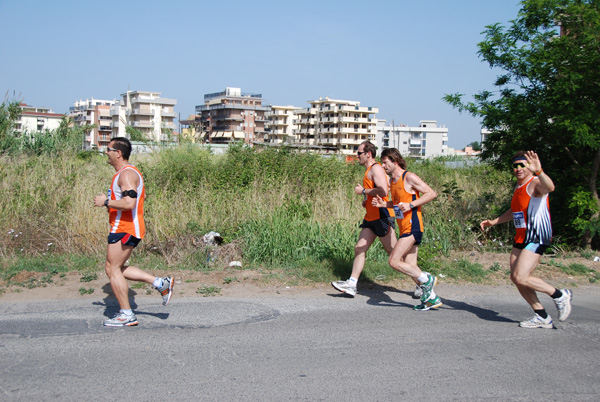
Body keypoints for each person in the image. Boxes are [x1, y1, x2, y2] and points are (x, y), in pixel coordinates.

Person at [480, 150, 572, 329]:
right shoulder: (518, 187)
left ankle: (560, 295)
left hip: (537, 236)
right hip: (521, 237)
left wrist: (539, 171)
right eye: (516, 166)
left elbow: (550, 188)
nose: (519, 168)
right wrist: (493, 222)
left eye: (523, 165)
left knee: (521, 276)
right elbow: (514, 212)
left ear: (531, 167)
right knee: (516, 278)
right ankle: (542, 316)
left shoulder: (535, 182)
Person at [93, 137, 174, 327]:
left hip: (125, 228)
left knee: (112, 269)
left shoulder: (127, 175)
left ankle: (127, 314)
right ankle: (160, 283)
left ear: (118, 153)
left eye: (108, 149)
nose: (106, 152)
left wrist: (105, 202)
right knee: (114, 268)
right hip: (124, 227)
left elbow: (129, 203)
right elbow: (133, 199)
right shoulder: (125, 173)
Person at [372, 148, 441, 311]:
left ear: (395, 161)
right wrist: (384, 204)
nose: (383, 166)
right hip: (404, 227)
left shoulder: (408, 177)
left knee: (394, 261)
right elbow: (397, 204)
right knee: (411, 266)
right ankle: (431, 298)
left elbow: (431, 193)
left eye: (385, 162)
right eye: (382, 163)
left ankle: (427, 279)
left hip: (413, 226)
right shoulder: (392, 182)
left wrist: (411, 204)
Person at [331, 141, 396, 297]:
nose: (357, 156)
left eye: (359, 153)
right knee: (359, 248)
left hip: (382, 217)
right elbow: (377, 192)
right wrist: (367, 200)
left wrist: (363, 191)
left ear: (368, 154)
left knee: (394, 255)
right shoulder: (369, 170)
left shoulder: (376, 169)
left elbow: (383, 190)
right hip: (371, 217)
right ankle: (352, 284)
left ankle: (422, 281)